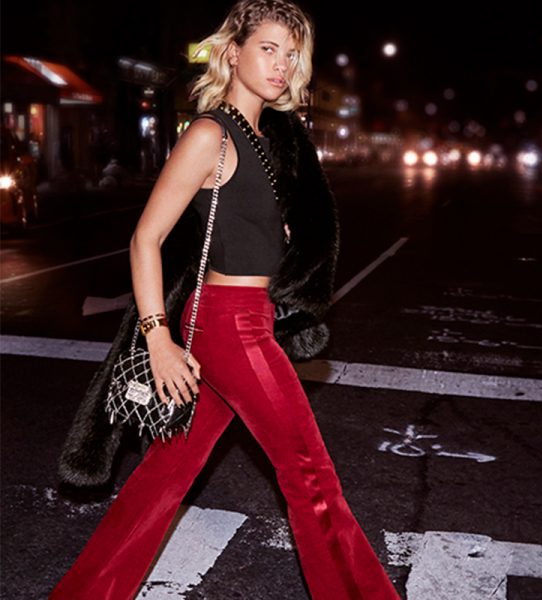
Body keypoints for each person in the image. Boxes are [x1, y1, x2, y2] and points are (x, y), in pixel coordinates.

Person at [50, 1, 402, 598]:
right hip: (230, 327)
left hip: (240, 319)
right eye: (268, 49)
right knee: (310, 477)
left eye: (291, 54)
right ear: (233, 53)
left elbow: (244, 230)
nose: (281, 64)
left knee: (163, 477)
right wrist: (158, 338)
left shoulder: (262, 138)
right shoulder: (210, 134)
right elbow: (145, 238)